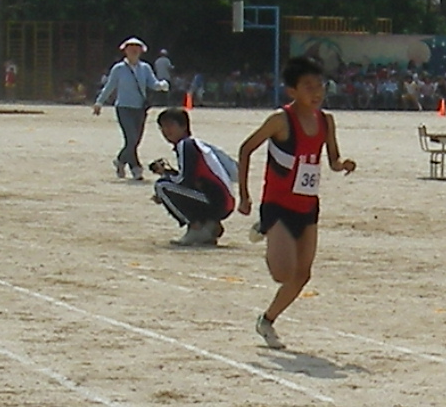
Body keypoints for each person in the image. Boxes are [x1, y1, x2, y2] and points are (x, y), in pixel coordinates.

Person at [236, 54, 355, 349]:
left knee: (302, 275)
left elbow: (332, 159)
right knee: (282, 272)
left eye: (320, 85)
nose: (316, 92)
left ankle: (267, 320)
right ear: (292, 92)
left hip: (307, 206)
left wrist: (343, 165)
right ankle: (266, 228)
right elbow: (246, 149)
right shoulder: (280, 120)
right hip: (277, 204)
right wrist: (244, 195)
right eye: (308, 87)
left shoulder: (326, 121)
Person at [148, 106, 235, 245]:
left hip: (216, 201)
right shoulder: (193, 144)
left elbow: (184, 179)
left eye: (170, 125)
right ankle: (209, 225)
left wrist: (166, 181)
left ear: (183, 126)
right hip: (222, 201)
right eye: (162, 127)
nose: (166, 131)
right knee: (166, 185)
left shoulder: (185, 145)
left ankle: (196, 227)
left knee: (162, 185)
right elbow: (191, 178)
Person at [98, 37, 159, 179]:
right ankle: (136, 168)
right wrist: (99, 102)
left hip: (140, 108)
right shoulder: (118, 68)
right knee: (131, 139)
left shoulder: (145, 68)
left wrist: (160, 85)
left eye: (137, 48)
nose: (134, 50)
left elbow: (152, 83)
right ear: (125, 50)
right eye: (130, 47)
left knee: (136, 140)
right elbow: (109, 86)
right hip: (123, 107)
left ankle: (120, 161)